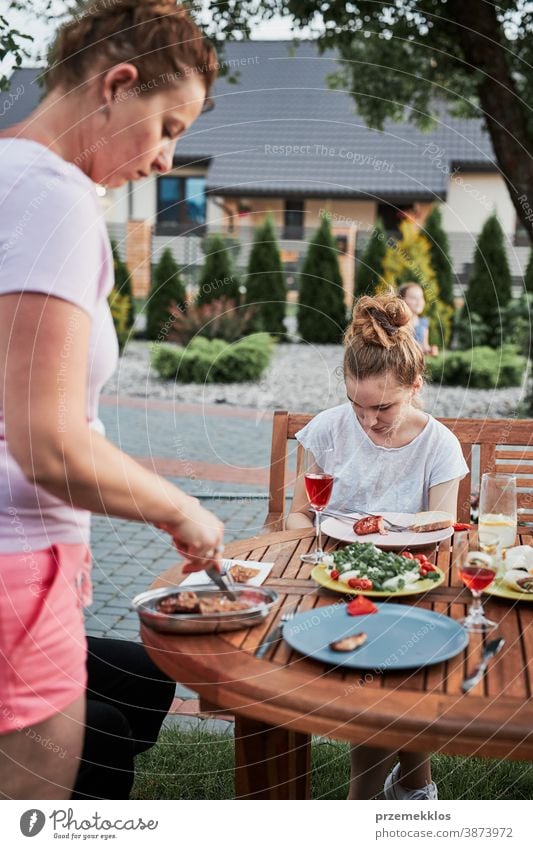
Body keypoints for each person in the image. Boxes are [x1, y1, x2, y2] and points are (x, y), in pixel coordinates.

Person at [0, 0, 223, 800]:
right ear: (117, 83)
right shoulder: (52, 195)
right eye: (168, 126)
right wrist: (180, 509)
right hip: (16, 565)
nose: (167, 159)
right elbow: (49, 444)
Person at [286, 292, 468, 800]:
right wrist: (317, 541)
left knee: (388, 655)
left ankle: (367, 800)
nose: (368, 421)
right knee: (385, 659)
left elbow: (444, 526)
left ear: (415, 385)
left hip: (413, 584)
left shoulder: (439, 445)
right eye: (356, 405)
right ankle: (411, 788)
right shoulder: (327, 429)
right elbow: (298, 512)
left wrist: (390, 530)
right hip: (335, 580)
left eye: (383, 407)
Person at [398, 281, 438, 356]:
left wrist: (430, 350)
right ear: (402, 300)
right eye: (414, 298)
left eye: (421, 297)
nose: (419, 301)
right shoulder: (399, 324)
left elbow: (424, 346)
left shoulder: (423, 323)